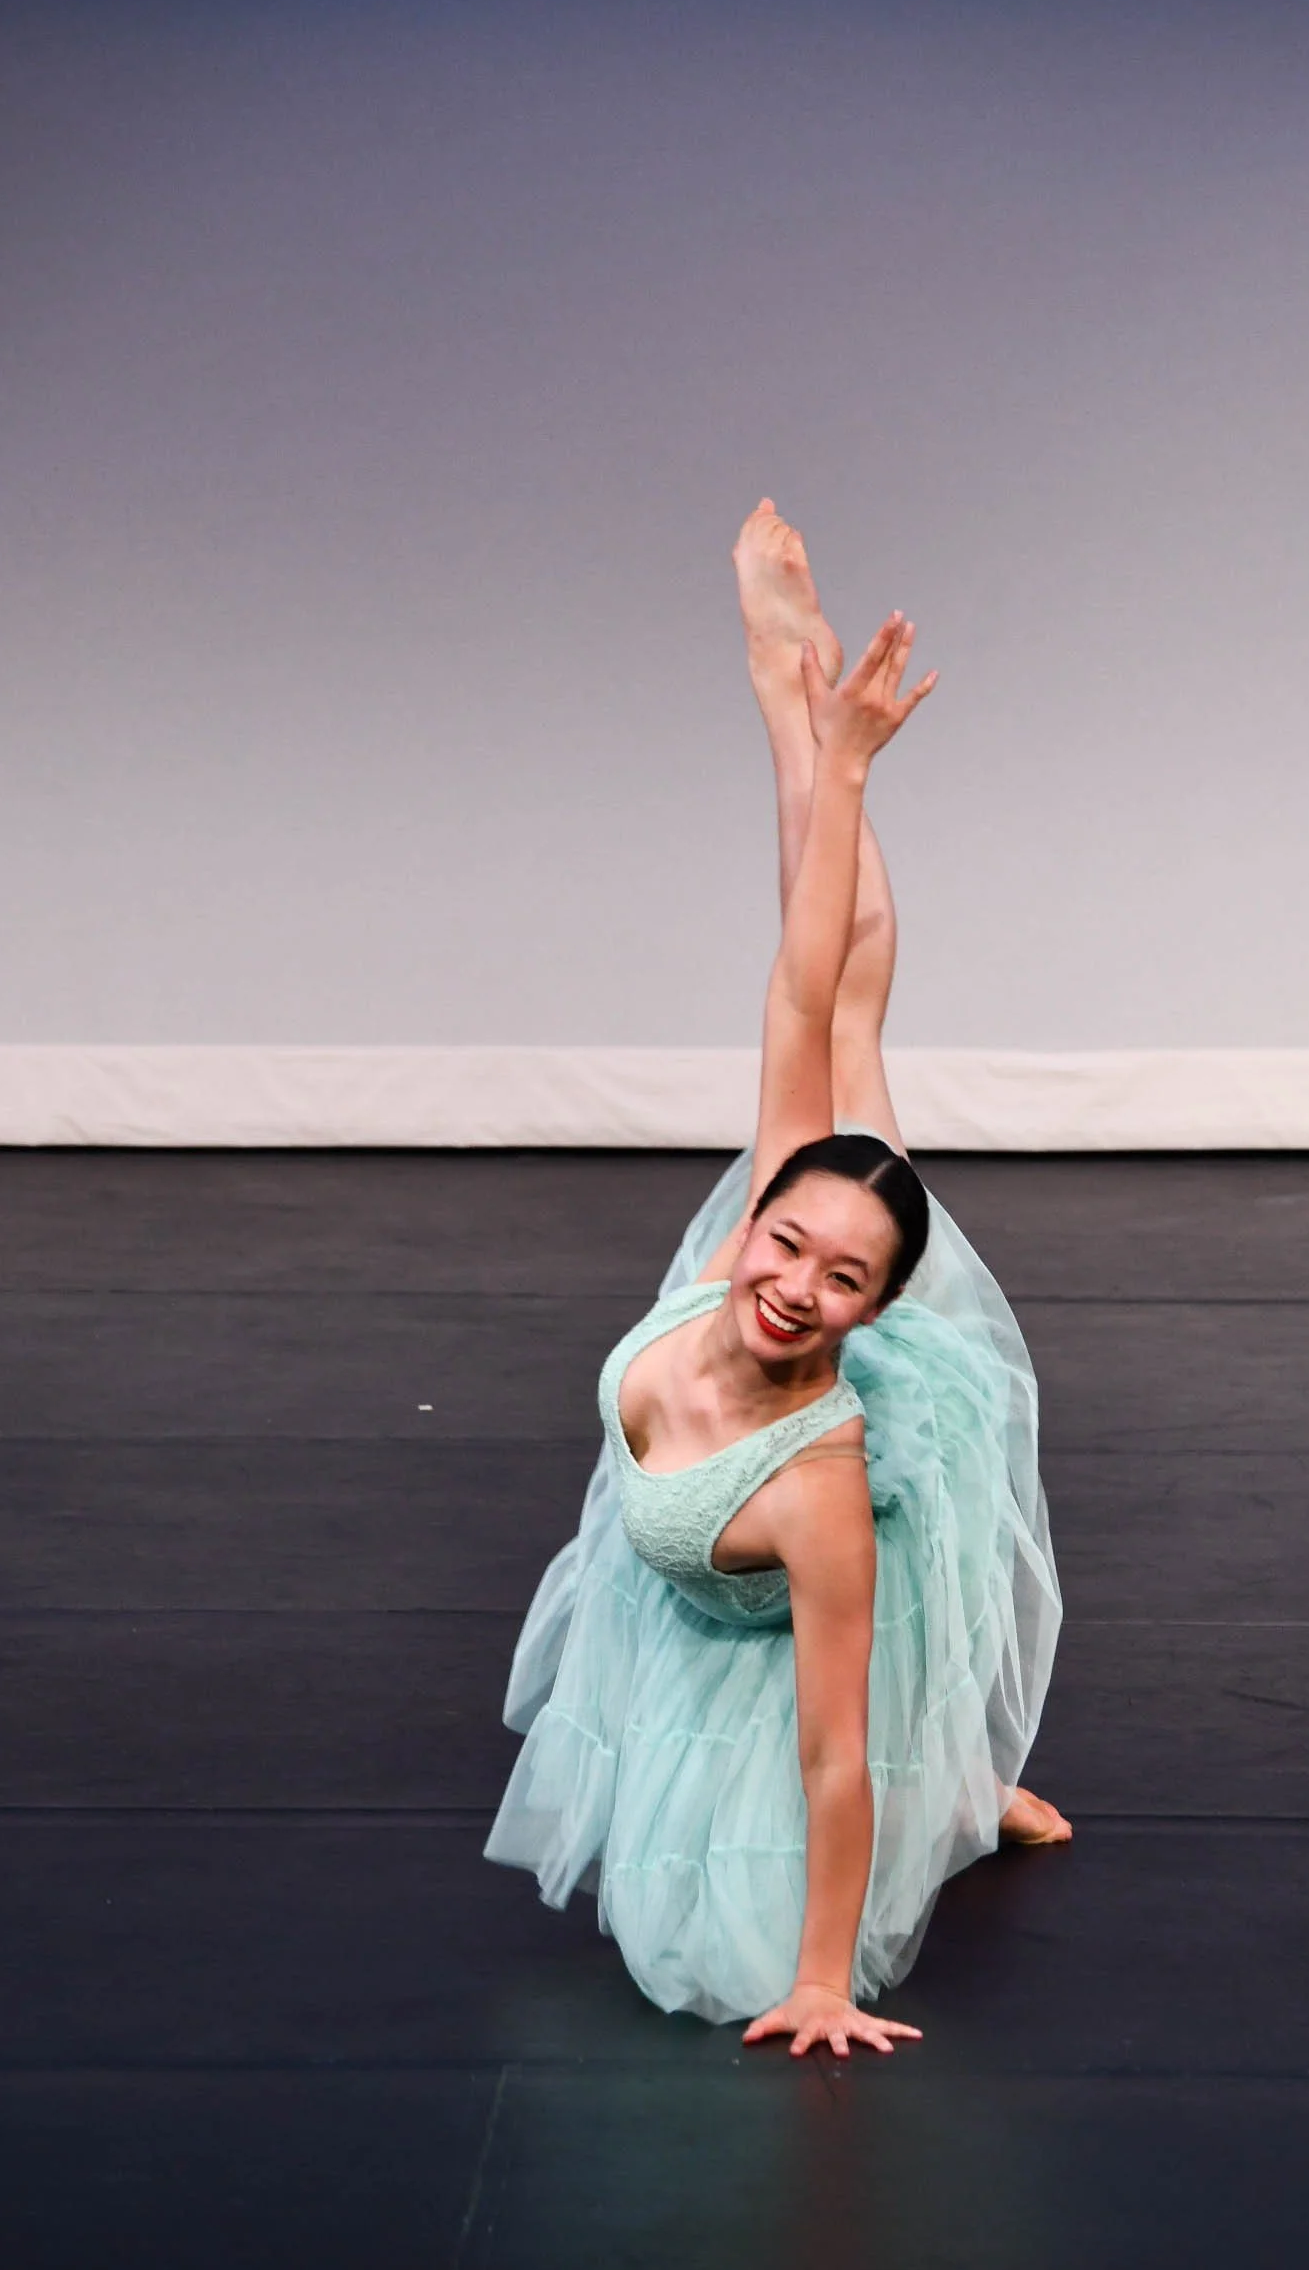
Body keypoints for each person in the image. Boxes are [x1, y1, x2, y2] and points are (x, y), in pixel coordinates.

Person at [484, 501, 1067, 2057]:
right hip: (735, 1417)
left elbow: (829, 1754)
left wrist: (821, 1980)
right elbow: (797, 990)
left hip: (803, 1491)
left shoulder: (825, 1488)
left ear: (879, 1308)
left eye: (843, 1278)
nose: (799, 1281)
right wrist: (824, 753)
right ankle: (787, 694)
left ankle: (968, 1787)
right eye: (789, 1241)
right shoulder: (750, 1249)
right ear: (752, 1220)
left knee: (850, 1023)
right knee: (840, 1013)